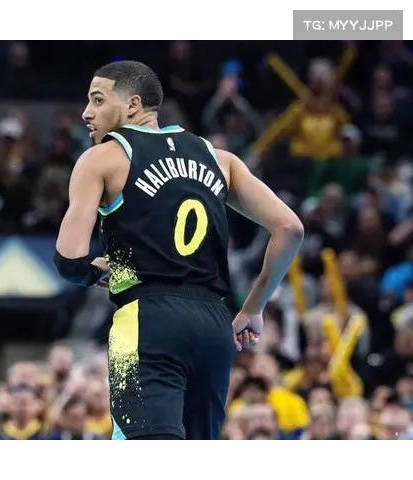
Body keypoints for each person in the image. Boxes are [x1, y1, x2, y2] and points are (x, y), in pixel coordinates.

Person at [54, 60, 304, 440]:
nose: (87, 112)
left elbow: (69, 261)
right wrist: (253, 308)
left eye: (98, 100)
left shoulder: (103, 157)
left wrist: (98, 270)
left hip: (147, 320)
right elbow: (290, 228)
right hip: (215, 326)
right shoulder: (218, 158)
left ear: (133, 104)